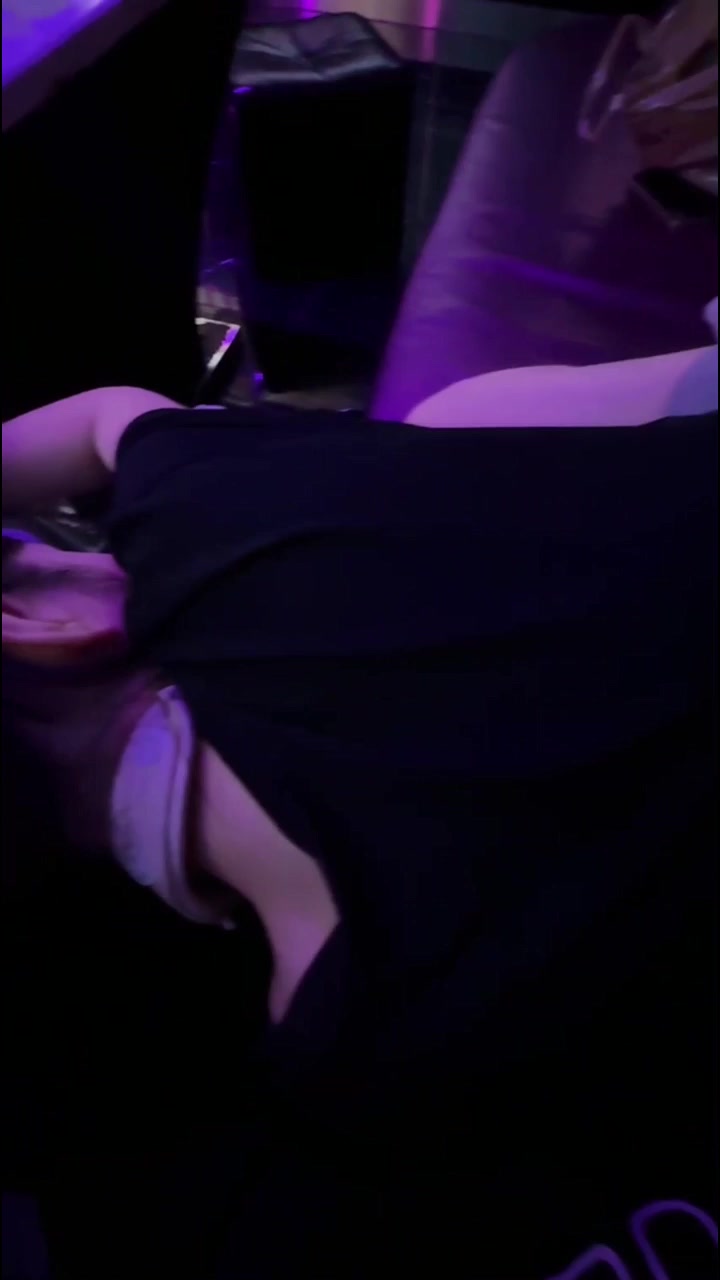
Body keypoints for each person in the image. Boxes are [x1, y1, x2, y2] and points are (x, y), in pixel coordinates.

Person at [2, 370, 717, 1277]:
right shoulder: (227, 541)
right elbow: (108, 416)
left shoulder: (343, 1071)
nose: (113, 560)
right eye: (51, 546)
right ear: (31, 624)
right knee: (461, 415)